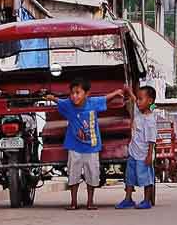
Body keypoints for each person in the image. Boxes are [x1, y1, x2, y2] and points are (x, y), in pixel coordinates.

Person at [46, 79, 123, 210]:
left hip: (92, 147)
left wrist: (116, 93)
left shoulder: (93, 103)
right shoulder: (68, 104)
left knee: (92, 175)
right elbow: (58, 101)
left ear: (87, 94)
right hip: (74, 147)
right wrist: (51, 97)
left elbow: (105, 99)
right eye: (72, 93)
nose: (74, 96)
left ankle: (90, 202)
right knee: (73, 175)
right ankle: (73, 202)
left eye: (78, 93)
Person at [116, 85, 158, 210]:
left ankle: (147, 200)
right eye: (138, 99)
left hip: (144, 155)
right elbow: (134, 99)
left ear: (149, 101)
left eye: (141, 99)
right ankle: (128, 199)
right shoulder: (137, 111)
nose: (138, 102)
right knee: (129, 178)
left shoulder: (150, 121)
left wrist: (150, 155)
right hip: (133, 153)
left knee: (146, 178)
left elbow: (152, 141)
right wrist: (128, 91)